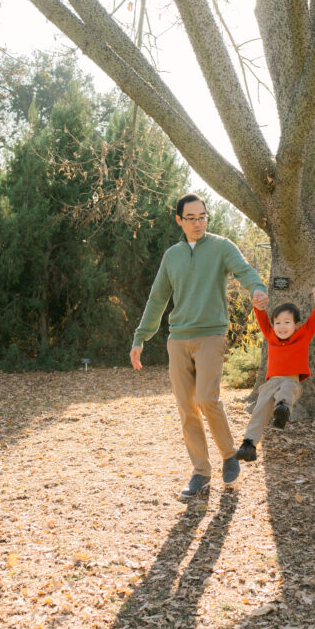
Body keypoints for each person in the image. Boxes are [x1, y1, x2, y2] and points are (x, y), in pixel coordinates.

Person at [129, 193, 268, 500]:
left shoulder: (221, 247)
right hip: (178, 338)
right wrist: (141, 337)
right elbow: (157, 299)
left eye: (202, 216)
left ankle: (229, 454)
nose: (197, 223)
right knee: (186, 407)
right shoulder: (172, 256)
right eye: (190, 218)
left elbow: (244, 271)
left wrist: (257, 289)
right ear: (179, 220)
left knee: (207, 397)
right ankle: (200, 473)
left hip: (210, 335)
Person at [236, 292, 315, 462]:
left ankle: (282, 408)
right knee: (259, 410)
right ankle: (249, 445)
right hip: (271, 383)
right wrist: (257, 306)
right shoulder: (271, 336)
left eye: (287, 322)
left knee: (287, 390)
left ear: (297, 325)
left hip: (291, 381)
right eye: (277, 323)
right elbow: (262, 319)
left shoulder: (303, 335)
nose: (281, 326)